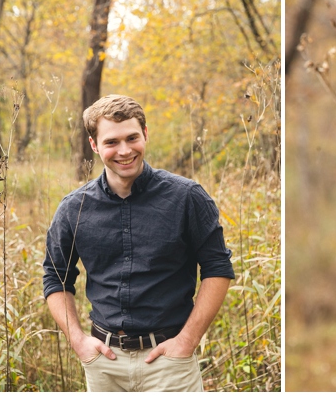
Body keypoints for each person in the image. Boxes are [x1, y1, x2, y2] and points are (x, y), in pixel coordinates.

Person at [43, 94, 235, 392]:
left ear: (145, 134)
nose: (124, 150)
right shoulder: (74, 208)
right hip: (104, 365)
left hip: (170, 363)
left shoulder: (187, 198)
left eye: (132, 137)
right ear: (94, 145)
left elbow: (218, 269)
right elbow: (55, 278)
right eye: (111, 142)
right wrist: (78, 340)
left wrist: (187, 341)